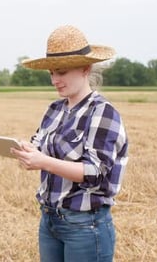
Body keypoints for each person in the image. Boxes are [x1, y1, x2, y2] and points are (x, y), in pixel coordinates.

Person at [10, 25, 129, 262]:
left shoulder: (102, 112)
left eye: (62, 72)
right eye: (52, 73)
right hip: (50, 220)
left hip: (86, 225)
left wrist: (43, 161)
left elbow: (95, 173)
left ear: (85, 69)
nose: (55, 80)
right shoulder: (55, 109)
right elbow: (39, 146)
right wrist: (28, 152)